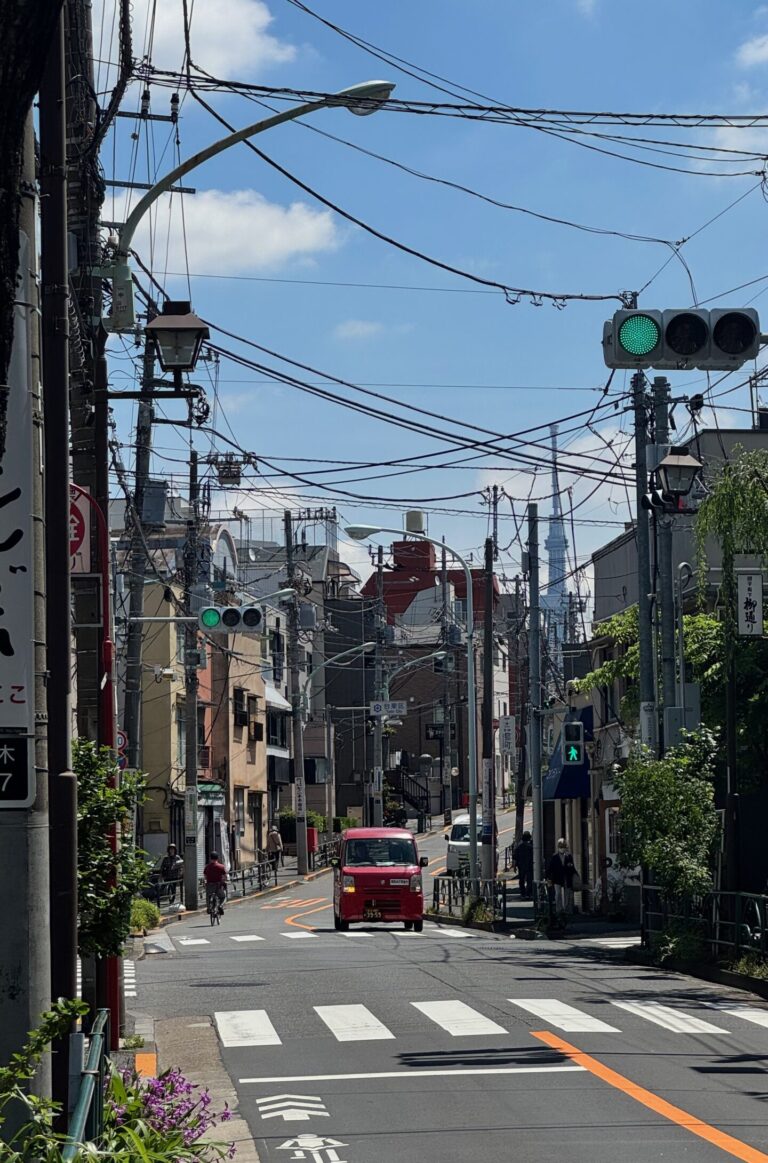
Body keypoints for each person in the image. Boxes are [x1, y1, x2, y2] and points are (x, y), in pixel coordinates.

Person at [547, 837, 576, 914]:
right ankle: (558, 909)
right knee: (558, 894)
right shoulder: (554, 856)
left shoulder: (568, 856)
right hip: (557, 877)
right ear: (558, 847)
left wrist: (571, 868)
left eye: (563, 847)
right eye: (561, 847)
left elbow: (572, 867)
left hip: (567, 877)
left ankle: (567, 909)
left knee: (567, 894)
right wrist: (548, 877)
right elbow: (550, 868)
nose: (562, 848)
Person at [203, 850, 228, 915]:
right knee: (222, 896)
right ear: (217, 858)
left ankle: (209, 908)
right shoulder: (221, 866)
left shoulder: (207, 867)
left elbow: (205, 876)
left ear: (210, 858)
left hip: (209, 885)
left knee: (208, 897)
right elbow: (225, 876)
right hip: (218, 885)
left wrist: (205, 882)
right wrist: (225, 881)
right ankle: (220, 906)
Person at [514, 831, 533, 898]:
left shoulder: (519, 847)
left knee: (521, 880)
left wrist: (515, 866)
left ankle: (523, 893)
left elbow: (515, 857)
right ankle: (528, 893)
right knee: (529, 880)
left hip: (521, 866)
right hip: (529, 866)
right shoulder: (531, 847)